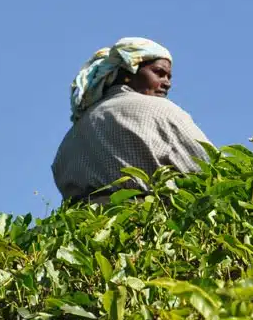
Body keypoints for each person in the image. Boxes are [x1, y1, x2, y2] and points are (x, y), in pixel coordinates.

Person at [51, 37, 214, 205]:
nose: (167, 83)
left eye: (169, 77)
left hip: (82, 223)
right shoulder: (159, 109)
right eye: (159, 73)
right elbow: (210, 167)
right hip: (144, 220)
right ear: (128, 73)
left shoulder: (75, 132)